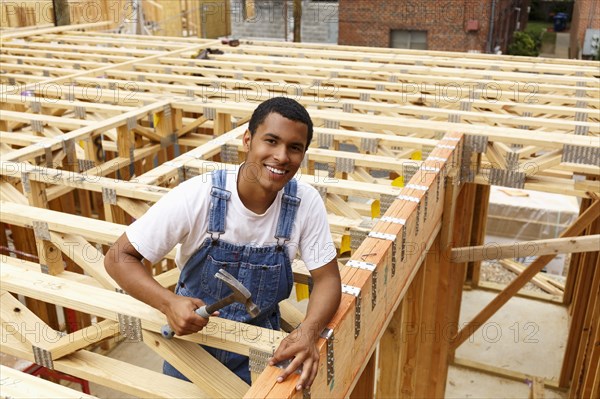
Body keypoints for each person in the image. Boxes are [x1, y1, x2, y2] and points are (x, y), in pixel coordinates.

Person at [105, 97, 342, 391]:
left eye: (295, 148)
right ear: (247, 140)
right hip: (192, 347)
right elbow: (118, 257)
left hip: (262, 349)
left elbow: (328, 278)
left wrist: (307, 332)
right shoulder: (199, 195)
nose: (282, 156)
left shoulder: (304, 202)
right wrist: (169, 303)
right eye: (271, 141)